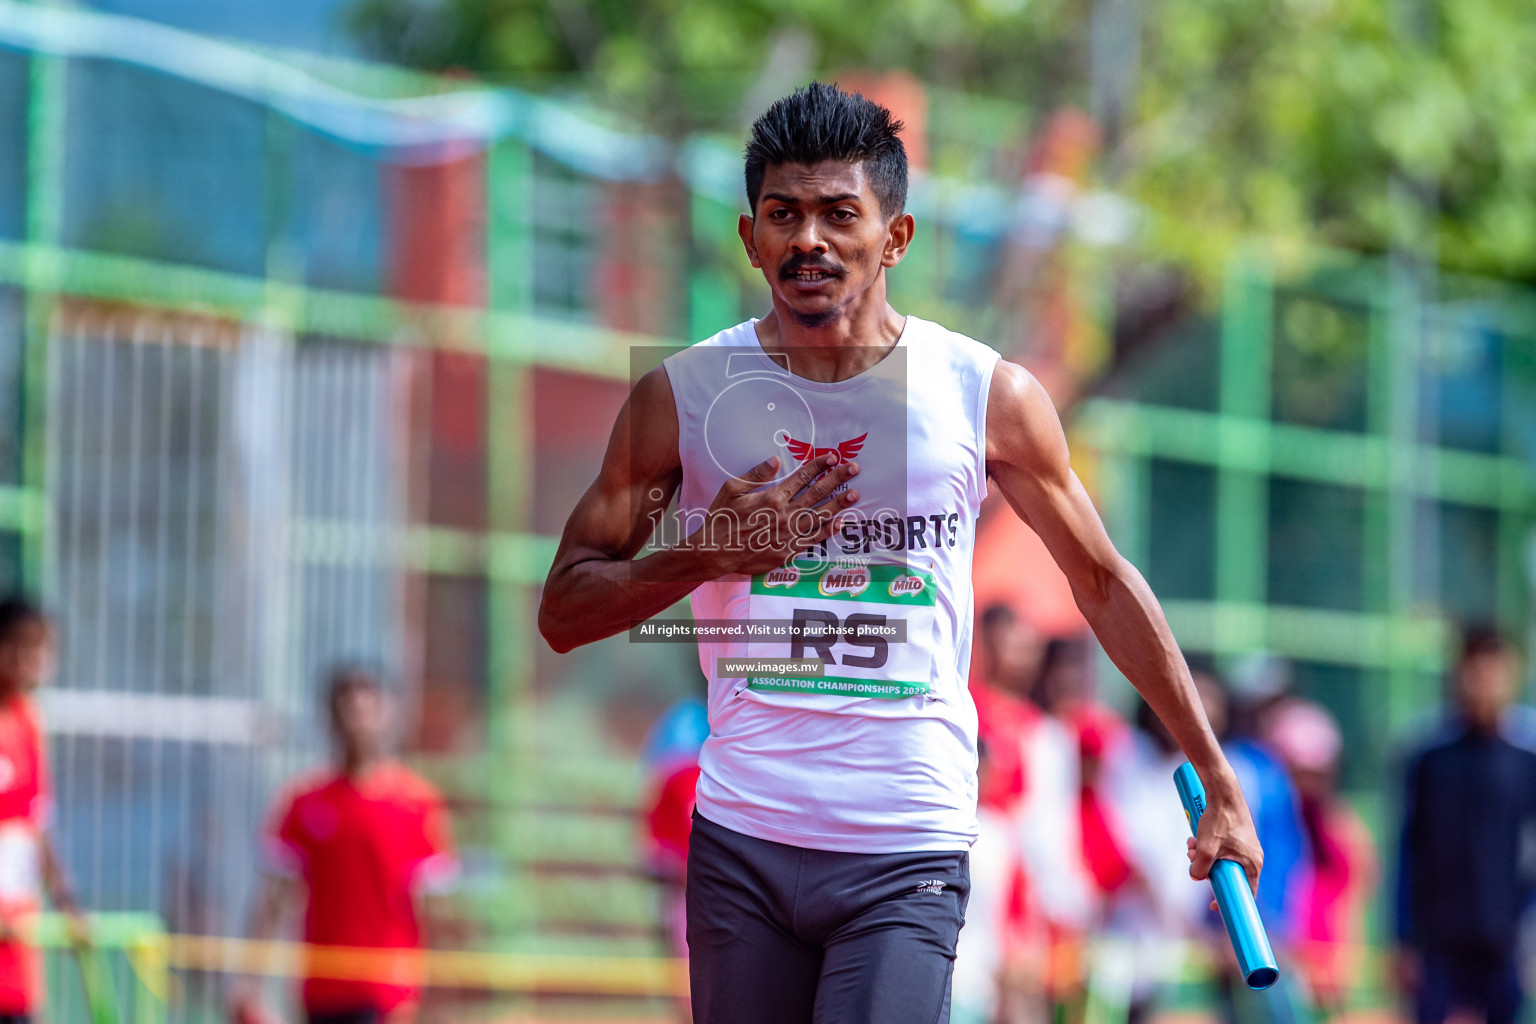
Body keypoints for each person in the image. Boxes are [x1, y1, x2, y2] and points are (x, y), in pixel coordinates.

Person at [538, 82, 1263, 1024]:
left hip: (904, 843)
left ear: (896, 238)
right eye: (782, 215)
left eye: (841, 215)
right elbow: (563, 610)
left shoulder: (983, 394)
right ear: (750, 237)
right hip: (742, 839)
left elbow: (1101, 581)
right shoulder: (684, 397)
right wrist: (704, 556)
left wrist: (1219, 782)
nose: (810, 241)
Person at [234, 668, 458, 1024]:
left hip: (389, 990)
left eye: (368, 709)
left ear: (388, 715)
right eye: (348, 709)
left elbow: (436, 906)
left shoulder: (417, 802)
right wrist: (250, 983)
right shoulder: (303, 801)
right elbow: (273, 898)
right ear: (331, 718)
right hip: (322, 987)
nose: (358, 721)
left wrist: (444, 988)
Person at [1395, 627, 1536, 1024]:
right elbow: (1409, 850)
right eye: (1474, 669)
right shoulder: (1429, 757)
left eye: (1494, 670)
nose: (1483, 682)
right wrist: (1402, 938)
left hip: (1505, 942)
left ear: (1513, 674)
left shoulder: (1526, 761)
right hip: (1440, 941)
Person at [0, 597, 86, 1024]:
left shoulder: (30, 723)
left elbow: (38, 824)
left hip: (18, 947)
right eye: (19, 644)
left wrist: (67, 901)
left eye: (41, 648)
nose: (31, 659)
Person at [1264, 698, 1375, 1014]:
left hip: (1329, 961)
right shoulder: (1273, 822)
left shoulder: (1340, 826)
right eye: (1300, 771)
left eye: (1318, 772)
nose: (1310, 782)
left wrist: (1340, 959)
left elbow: (1356, 893)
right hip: (1283, 959)